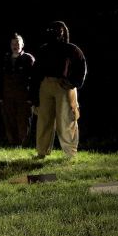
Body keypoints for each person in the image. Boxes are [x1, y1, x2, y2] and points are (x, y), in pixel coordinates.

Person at [30, 21, 86, 160]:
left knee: (66, 119)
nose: (56, 33)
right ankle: (41, 152)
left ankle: (70, 153)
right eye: (54, 30)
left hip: (64, 87)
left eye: (59, 30)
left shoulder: (72, 49)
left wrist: (73, 82)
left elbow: (81, 67)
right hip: (46, 85)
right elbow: (36, 72)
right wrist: (34, 94)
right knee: (44, 120)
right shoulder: (44, 49)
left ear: (64, 32)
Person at [0, 33, 35, 147]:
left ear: (22, 45)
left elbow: (35, 79)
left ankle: (23, 145)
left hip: (24, 97)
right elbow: (0, 78)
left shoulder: (28, 59)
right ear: (10, 45)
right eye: (13, 43)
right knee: (9, 120)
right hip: (7, 96)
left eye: (18, 43)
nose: (15, 46)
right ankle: (12, 144)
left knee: (23, 121)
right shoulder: (5, 59)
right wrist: (0, 96)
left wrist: (32, 97)